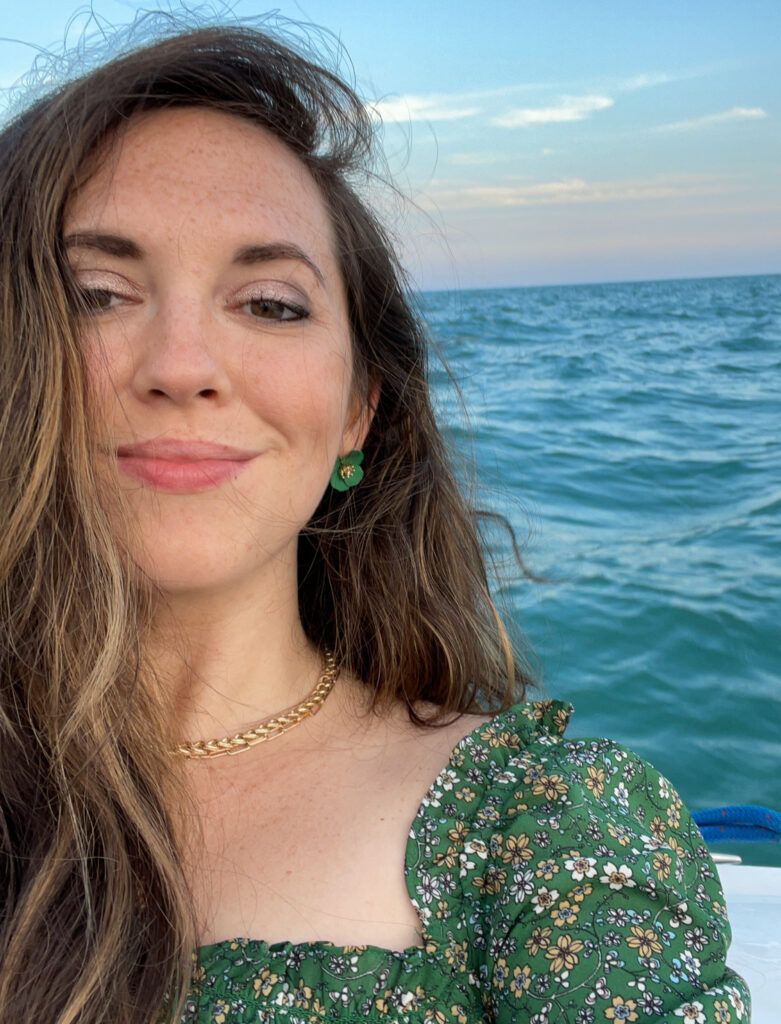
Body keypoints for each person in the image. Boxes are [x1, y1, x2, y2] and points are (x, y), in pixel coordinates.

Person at [0, 14, 749, 1024]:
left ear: (359, 408)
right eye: (97, 293)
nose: (181, 366)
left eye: (269, 303)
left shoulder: (545, 829)